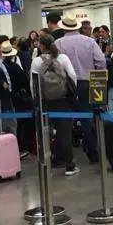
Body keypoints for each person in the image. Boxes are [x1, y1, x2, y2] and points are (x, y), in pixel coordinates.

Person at [55, 14, 106, 163]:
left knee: (65, 121)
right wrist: (99, 81)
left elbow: (55, 64)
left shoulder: (58, 43)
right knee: (89, 119)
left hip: (67, 85)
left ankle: (62, 156)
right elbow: (101, 61)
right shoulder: (90, 41)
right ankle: (93, 154)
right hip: (89, 82)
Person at [31, 35, 79, 176]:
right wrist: (71, 95)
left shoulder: (36, 61)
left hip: (45, 103)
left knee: (45, 134)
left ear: (41, 46)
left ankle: (46, 164)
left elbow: (33, 84)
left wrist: (37, 101)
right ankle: (70, 165)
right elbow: (73, 76)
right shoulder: (63, 58)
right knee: (65, 134)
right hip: (62, 101)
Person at [1, 41, 31, 158]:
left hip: (7, 100)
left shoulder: (2, 67)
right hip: (17, 99)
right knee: (17, 125)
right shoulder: (15, 67)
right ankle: (18, 147)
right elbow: (25, 81)